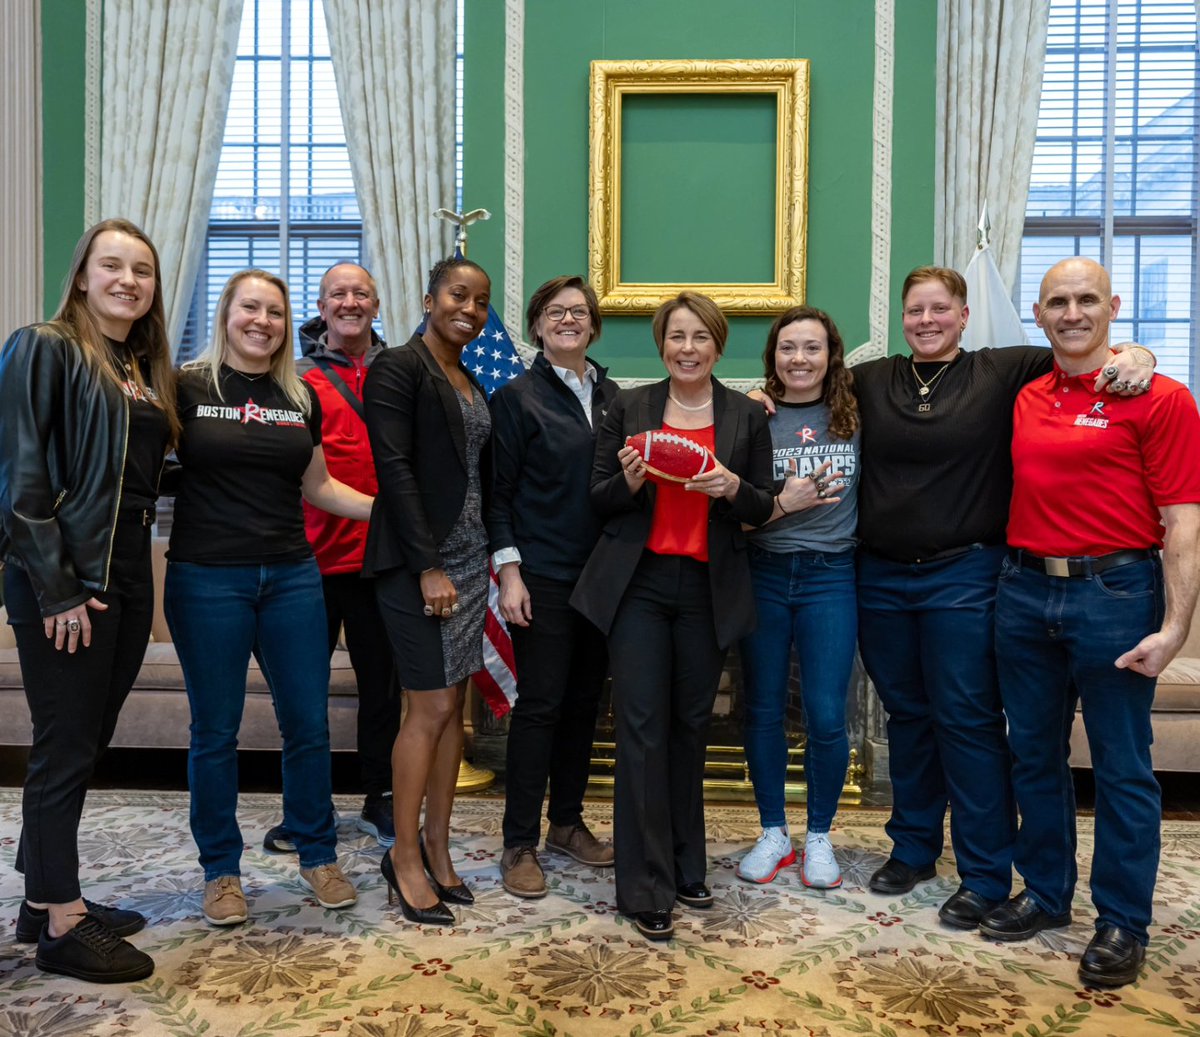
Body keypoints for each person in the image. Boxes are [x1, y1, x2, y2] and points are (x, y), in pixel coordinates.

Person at [852, 266, 1155, 932]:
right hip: (879, 576)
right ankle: (913, 846)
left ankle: (986, 872)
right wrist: (759, 397)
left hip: (966, 574)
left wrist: (1141, 352)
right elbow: (800, 388)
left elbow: (1084, 348)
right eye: (915, 311)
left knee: (966, 718)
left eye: (940, 309)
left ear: (964, 315)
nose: (926, 320)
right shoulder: (870, 379)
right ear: (902, 318)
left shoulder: (1005, 370)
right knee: (906, 715)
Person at [980, 257, 1200, 988]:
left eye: (1086, 300)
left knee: (1121, 765)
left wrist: (1173, 628)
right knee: (1033, 755)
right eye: (1057, 303)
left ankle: (1122, 920)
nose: (1072, 313)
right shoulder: (1026, 393)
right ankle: (1045, 893)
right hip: (1023, 592)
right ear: (1038, 316)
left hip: (1115, 593)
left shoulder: (1161, 397)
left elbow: (1181, 523)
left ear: (1113, 305)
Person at [165, 269, 373, 927]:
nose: (262, 320)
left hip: (291, 577)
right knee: (215, 732)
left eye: (275, 312)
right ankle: (221, 872)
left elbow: (321, 487)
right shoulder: (186, 388)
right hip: (207, 580)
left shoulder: (298, 395)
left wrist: (399, 518)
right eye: (250, 307)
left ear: (288, 323)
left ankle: (319, 853)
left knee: (307, 723)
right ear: (227, 312)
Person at [0, 218, 179, 981]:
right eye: (112, 265)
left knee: (86, 735)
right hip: (69, 574)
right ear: (81, 276)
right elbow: (20, 478)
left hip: (128, 566)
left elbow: (133, 478)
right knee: (65, 742)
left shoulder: (136, 365)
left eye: (141, 270)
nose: (128, 280)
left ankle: (43, 897)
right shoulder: (45, 345)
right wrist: (57, 586)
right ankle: (62, 926)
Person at [572, 291, 774, 942]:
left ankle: (689, 865)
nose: (687, 348)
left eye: (700, 337)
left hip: (709, 586)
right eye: (676, 336)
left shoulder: (746, 416)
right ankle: (645, 883)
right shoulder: (626, 407)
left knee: (691, 729)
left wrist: (731, 487)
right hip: (639, 585)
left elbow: (760, 505)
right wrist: (629, 480)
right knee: (641, 729)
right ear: (662, 343)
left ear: (719, 345)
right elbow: (599, 499)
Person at [363, 256, 493, 927]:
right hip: (420, 564)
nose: (468, 309)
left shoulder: (468, 377)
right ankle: (404, 856)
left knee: (453, 709)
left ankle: (441, 849)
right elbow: (395, 469)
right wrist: (427, 566)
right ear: (428, 297)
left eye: (480, 301)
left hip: (470, 560)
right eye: (456, 295)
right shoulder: (398, 366)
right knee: (428, 705)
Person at [261, 262, 399, 853]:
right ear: (321, 305)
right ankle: (305, 812)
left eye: (361, 293)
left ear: (376, 304)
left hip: (383, 561)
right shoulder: (291, 380)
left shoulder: (401, 374)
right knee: (303, 697)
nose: (350, 302)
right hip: (307, 562)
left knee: (385, 692)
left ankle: (382, 797)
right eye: (338, 293)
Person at [488, 275, 618, 899]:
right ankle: (519, 842)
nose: (569, 319)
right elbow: (499, 493)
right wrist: (509, 572)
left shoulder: (614, 395)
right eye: (555, 312)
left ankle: (566, 822)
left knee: (584, 704)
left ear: (593, 325)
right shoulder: (516, 397)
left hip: (605, 579)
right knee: (540, 707)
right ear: (537, 325)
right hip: (540, 575)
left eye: (580, 312)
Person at [736, 307, 860, 889]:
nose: (800, 359)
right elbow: (734, 506)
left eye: (812, 348)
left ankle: (818, 836)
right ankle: (772, 832)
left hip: (831, 578)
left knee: (827, 716)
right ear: (773, 355)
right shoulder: (750, 414)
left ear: (831, 355)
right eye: (789, 348)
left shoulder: (858, 411)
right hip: (762, 573)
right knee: (762, 710)